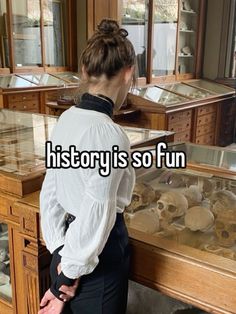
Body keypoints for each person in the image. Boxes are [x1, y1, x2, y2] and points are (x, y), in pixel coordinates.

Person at [39, 19, 136, 314]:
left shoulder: (66, 119)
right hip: (98, 264)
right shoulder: (110, 136)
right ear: (128, 73)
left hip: (67, 249)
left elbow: (50, 192)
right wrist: (67, 275)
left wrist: (60, 256)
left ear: (84, 71)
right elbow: (98, 216)